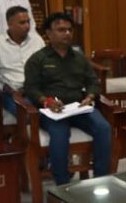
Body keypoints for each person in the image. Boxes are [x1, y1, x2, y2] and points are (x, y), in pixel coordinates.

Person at [24, 12, 112, 184]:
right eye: (61, 30)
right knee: (60, 133)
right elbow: (31, 89)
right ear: (48, 33)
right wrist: (47, 101)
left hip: (78, 107)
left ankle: (101, 179)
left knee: (103, 127)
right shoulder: (37, 59)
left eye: (70, 30)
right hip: (52, 111)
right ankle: (62, 184)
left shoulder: (79, 58)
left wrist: (90, 96)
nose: (67, 33)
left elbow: (93, 82)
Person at [0, 6, 44, 116]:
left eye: (28, 22)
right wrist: (6, 88)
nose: (27, 26)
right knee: (27, 113)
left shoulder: (37, 40)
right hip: (11, 92)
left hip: (37, 90)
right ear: (9, 23)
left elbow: (45, 66)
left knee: (55, 110)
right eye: (22, 23)